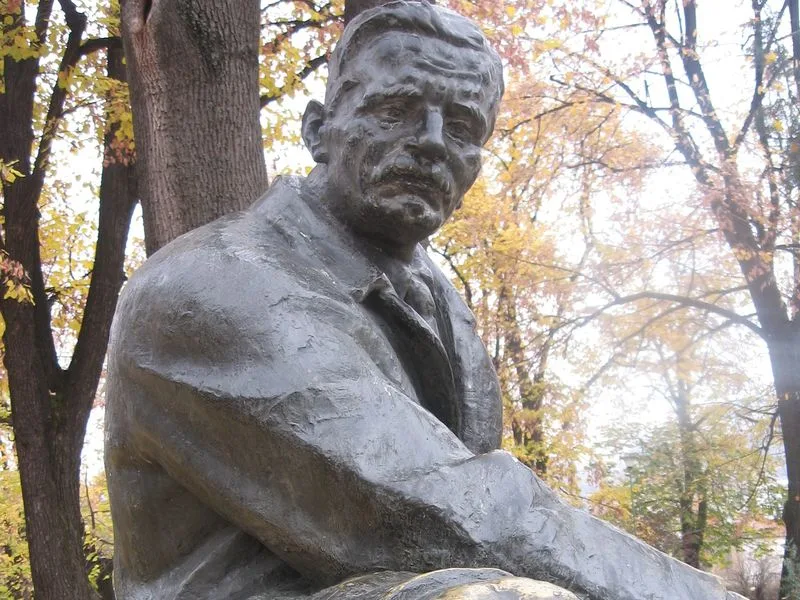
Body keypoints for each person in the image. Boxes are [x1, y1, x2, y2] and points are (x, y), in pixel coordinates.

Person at [104, 2, 742, 599]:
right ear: (319, 131)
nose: (433, 142)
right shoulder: (211, 286)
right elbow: (433, 512)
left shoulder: (435, 299)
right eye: (395, 110)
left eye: (462, 128)